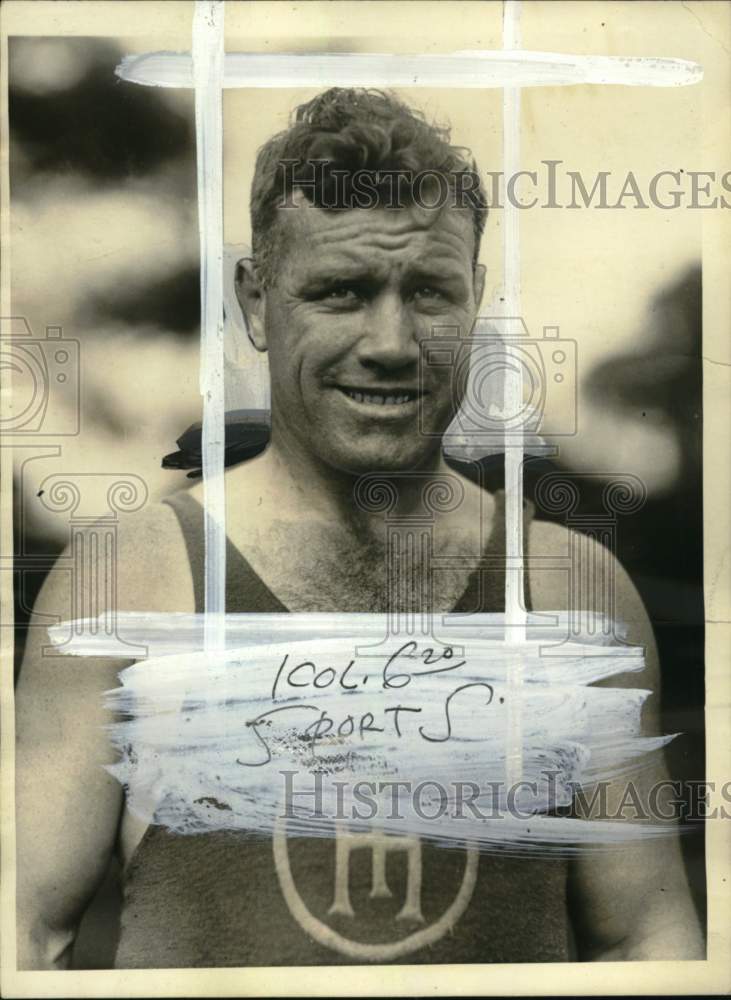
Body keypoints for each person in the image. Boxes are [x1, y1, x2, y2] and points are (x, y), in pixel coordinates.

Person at [16, 88, 703, 968]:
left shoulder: (567, 588)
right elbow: (26, 933)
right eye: (340, 291)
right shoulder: (131, 580)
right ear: (256, 303)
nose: (390, 341)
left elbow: (646, 937)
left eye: (428, 292)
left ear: (476, 299)